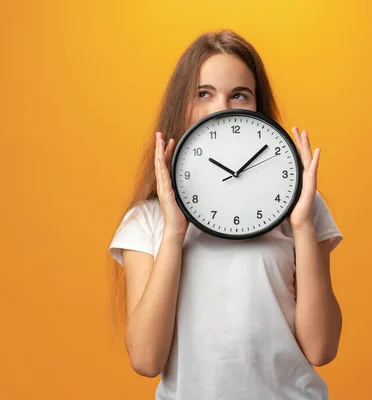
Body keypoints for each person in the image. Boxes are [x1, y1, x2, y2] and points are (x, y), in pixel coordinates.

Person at [107, 29, 344, 400]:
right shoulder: (147, 220)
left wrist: (301, 224)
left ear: (257, 109)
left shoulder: (302, 209)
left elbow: (321, 348)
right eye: (204, 93)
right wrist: (173, 232)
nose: (221, 109)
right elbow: (146, 359)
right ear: (181, 105)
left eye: (239, 95)